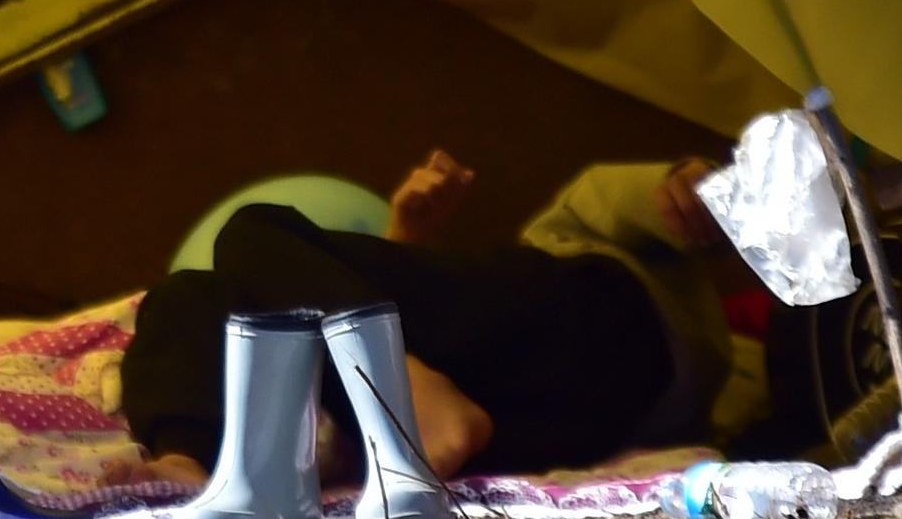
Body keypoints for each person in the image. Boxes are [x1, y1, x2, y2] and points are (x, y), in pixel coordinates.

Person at [122, 147, 770, 481]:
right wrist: (405, 238)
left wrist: (683, 183)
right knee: (187, 291)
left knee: (249, 236)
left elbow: (625, 196)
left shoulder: (583, 260)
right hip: (535, 423)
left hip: (603, 323)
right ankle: (188, 463)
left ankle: (390, 394)